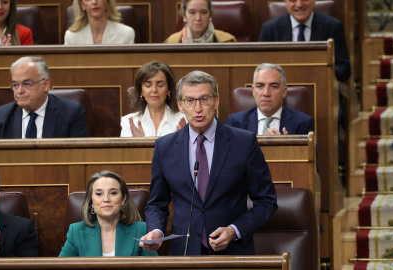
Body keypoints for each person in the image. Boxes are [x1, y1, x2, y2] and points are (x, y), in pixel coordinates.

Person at [140, 71, 277, 255]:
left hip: (232, 254)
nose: (198, 108)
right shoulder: (165, 147)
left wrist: (234, 230)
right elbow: (157, 203)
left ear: (216, 101)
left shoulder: (244, 143)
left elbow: (266, 201)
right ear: (180, 105)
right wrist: (156, 231)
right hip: (185, 254)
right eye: (190, 100)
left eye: (204, 99)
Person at [59, 170, 157, 257]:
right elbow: (61, 268)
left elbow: (154, 268)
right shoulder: (76, 232)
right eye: (99, 194)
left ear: (123, 199)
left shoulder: (142, 230)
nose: (106, 199)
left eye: (113, 193)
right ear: (91, 202)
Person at [0, 56, 89, 139]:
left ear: (45, 84)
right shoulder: (0, 116)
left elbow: (78, 158)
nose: (20, 91)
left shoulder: (71, 113)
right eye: (15, 85)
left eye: (27, 84)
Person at [259, 0, 351, 83]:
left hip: (322, 90)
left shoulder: (333, 27)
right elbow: (260, 70)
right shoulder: (269, 29)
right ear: (286, 2)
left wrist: (319, 72)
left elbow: (344, 70)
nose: (299, 4)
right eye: (293, 0)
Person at [226, 63, 314, 135]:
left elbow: (311, 156)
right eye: (260, 86)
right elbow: (228, 156)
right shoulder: (236, 123)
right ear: (253, 91)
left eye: (273, 87)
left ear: (284, 91)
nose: (266, 93)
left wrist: (286, 147)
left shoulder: (303, 123)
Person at [120, 61, 186, 137]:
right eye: (148, 85)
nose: (154, 90)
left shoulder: (184, 119)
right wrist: (137, 143)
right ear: (141, 91)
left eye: (160, 85)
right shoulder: (128, 122)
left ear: (169, 90)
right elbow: (125, 149)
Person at [64, 0, 135, 45]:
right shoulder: (71, 37)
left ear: (107, 1)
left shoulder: (126, 34)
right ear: (82, 5)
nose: (94, 2)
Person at [164, 0, 236, 43]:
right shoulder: (171, 42)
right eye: (192, 12)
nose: (198, 18)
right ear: (184, 15)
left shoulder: (228, 41)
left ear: (210, 15)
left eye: (203, 12)